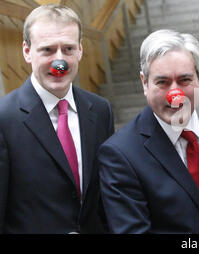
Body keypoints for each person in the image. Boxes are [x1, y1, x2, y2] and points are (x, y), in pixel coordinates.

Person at [98, 29, 199, 234]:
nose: (176, 95)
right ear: (144, 83)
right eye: (162, 82)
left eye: (184, 80)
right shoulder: (120, 155)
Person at [0, 4, 114, 233]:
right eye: (48, 50)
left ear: (80, 50)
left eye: (68, 49)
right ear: (26, 51)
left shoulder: (101, 110)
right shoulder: (4, 118)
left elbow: (105, 195)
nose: (59, 62)